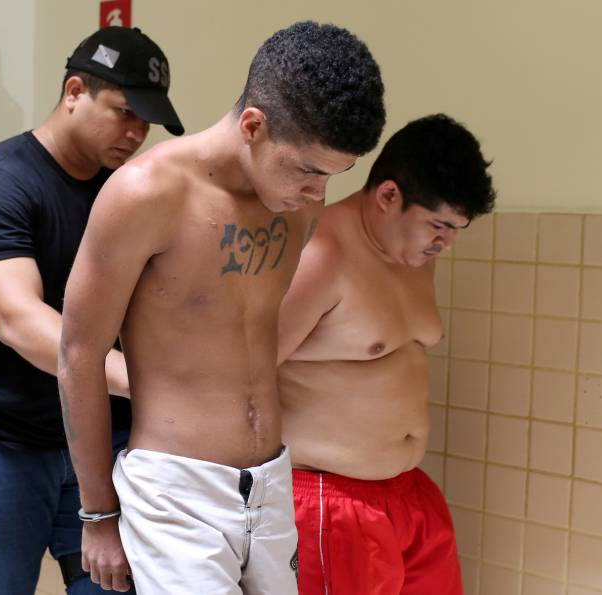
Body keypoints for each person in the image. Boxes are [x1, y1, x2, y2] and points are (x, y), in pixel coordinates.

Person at [58, 21, 385, 595]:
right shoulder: (146, 194)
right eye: (309, 170)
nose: (318, 195)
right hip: (176, 490)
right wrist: (98, 515)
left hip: (272, 481)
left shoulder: (297, 205)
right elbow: (79, 355)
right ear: (254, 126)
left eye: (335, 176)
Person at [0, 26, 184, 595]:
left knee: (113, 587)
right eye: (124, 113)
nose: (137, 133)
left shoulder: (125, 191)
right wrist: (154, 384)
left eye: (148, 122)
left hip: (93, 436)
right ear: (74, 91)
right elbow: (20, 321)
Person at [277, 114, 496, 595]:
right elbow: (245, 371)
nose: (446, 241)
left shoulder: (414, 254)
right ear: (388, 196)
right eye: (438, 224)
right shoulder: (321, 257)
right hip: (329, 502)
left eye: (458, 228)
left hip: (410, 495)